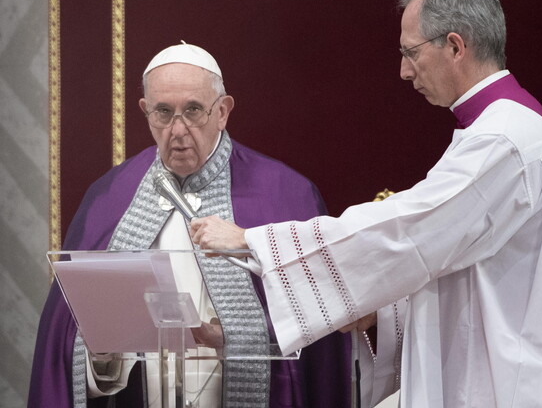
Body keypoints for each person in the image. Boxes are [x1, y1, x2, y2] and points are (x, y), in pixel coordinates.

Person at [190, 0, 542, 407]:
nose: (404, 71)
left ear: (455, 46)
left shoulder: (503, 139)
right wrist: (376, 307)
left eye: (411, 52)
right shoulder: (504, 129)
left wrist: (252, 240)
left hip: (495, 381)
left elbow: (409, 230)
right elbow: (448, 256)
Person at [28, 43, 351, 407]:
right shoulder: (108, 198)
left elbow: (321, 332)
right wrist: (102, 355)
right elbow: (65, 336)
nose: (177, 130)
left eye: (193, 110)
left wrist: (236, 335)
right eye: (163, 113)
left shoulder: (286, 195)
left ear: (223, 111)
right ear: (144, 111)